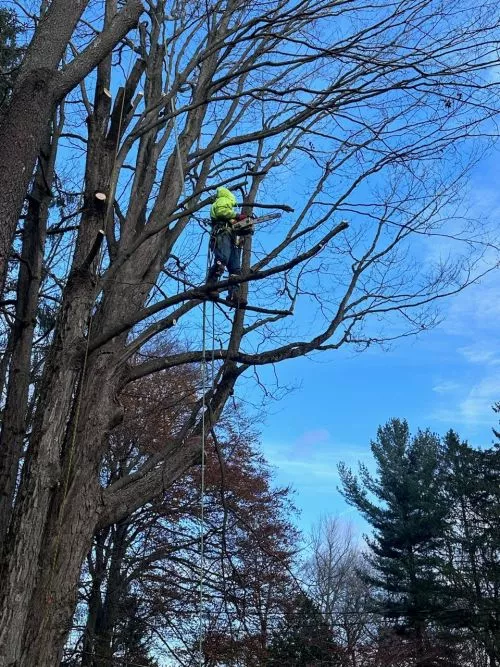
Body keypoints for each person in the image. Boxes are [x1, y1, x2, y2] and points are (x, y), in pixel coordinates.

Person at [207, 187, 250, 305]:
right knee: (222, 259)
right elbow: (221, 211)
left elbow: (234, 225)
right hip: (222, 234)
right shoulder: (223, 200)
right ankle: (211, 285)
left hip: (232, 239)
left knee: (235, 269)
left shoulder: (229, 212)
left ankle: (234, 294)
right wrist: (237, 215)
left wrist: (245, 227)